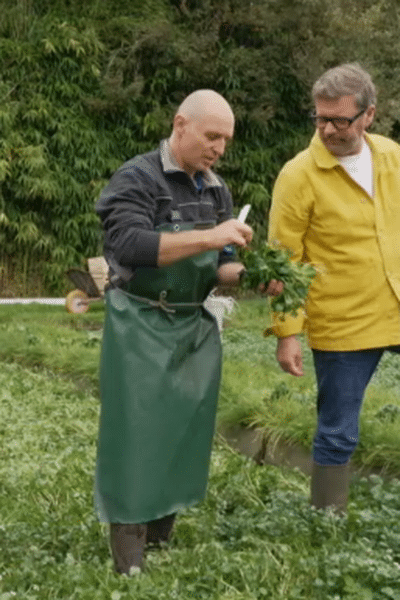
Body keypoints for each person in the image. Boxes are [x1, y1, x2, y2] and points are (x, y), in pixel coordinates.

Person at [94, 89, 280, 574]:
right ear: (181, 125)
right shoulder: (137, 178)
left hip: (191, 323)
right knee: (135, 433)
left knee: (182, 430)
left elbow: (223, 266)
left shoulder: (216, 189)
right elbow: (128, 243)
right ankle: (128, 555)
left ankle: (160, 535)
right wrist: (211, 235)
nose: (219, 148)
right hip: (140, 320)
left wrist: (255, 277)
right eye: (211, 135)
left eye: (226, 140)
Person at [268, 63, 400, 514]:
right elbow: (283, 261)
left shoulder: (392, 157)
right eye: (320, 118)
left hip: (398, 305)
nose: (327, 129)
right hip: (345, 321)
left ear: (368, 115)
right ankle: (328, 522)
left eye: (339, 120)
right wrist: (287, 332)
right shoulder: (298, 175)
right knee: (338, 428)